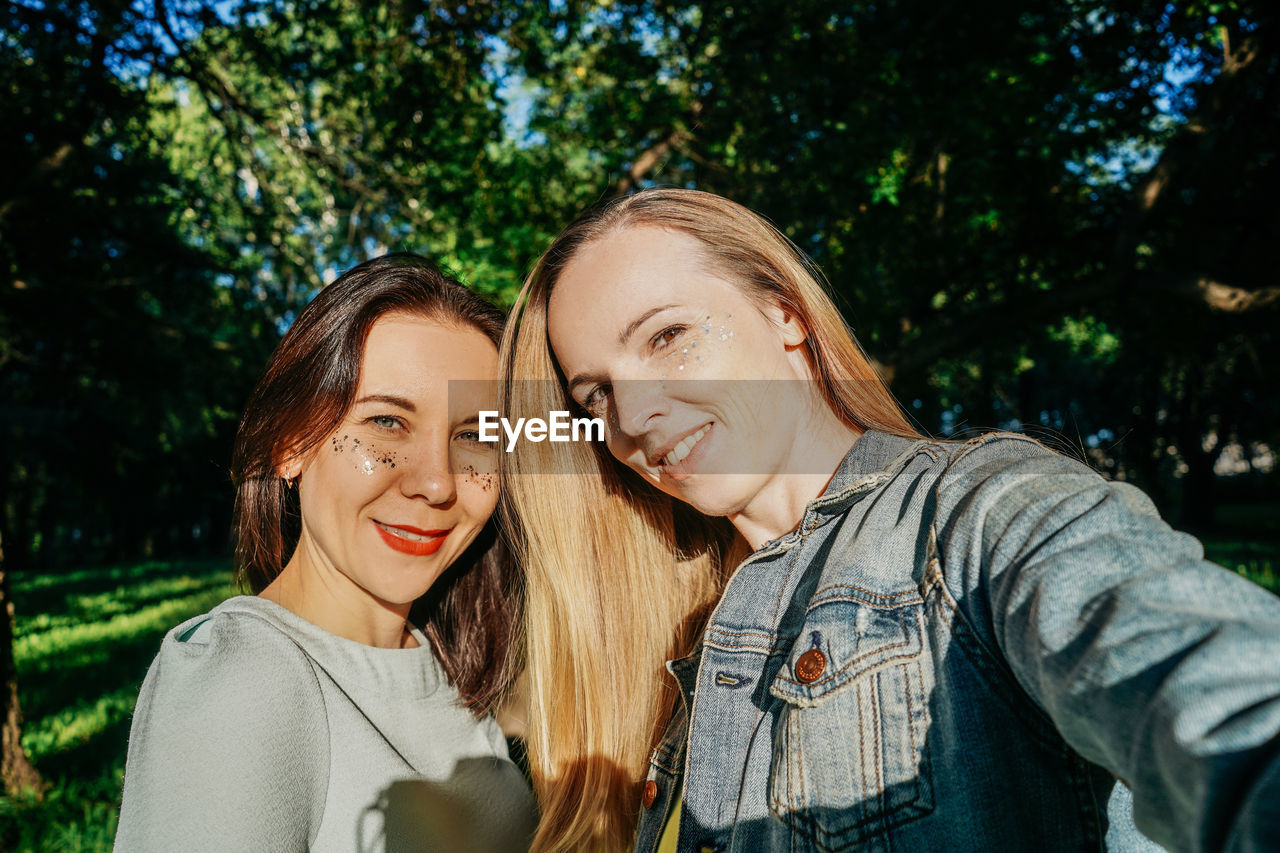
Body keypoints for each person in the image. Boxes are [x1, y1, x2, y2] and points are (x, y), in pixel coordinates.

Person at [498, 188, 1280, 852]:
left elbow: (1200, 679)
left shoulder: (978, 509)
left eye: (668, 337)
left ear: (785, 315)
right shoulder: (675, 644)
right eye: (595, 394)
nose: (632, 415)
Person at [115, 254, 537, 852]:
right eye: (387, 422)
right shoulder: (243, 677)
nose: (437, 483)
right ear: (291, 443)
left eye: (473, 436)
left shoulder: (438, 657)